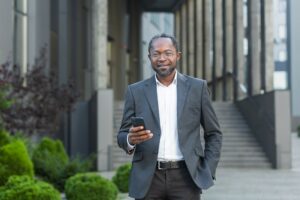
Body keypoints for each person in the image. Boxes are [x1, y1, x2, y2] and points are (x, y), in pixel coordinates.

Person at [117, 33, 222, 200]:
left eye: (168, 53)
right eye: (156, 53)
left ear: (177, 56)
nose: (162, 58)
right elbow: (122, 136)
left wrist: (207, 169)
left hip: (186, 178)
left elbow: (214, 133)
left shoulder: (197, 88)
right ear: (149, 57)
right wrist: (130, 139)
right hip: (148, 179)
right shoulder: (135, 91)